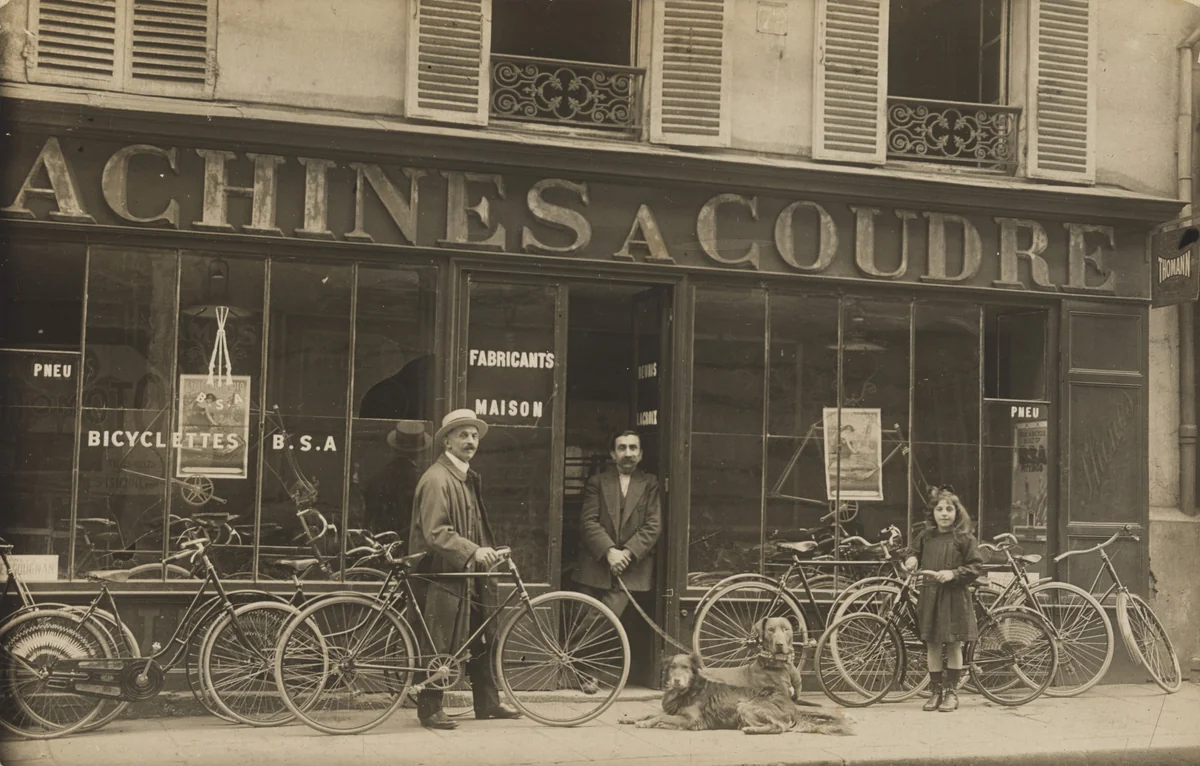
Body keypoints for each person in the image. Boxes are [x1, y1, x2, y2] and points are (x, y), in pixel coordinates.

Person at [408, 408, 521, 730]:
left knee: (480, 635)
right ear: (447, 441)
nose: (471, 441)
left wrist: (484, 551)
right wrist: (474, 550)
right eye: (463, 435)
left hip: (467, 574)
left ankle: (487, 703)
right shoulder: (437, 479)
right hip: (441, 575)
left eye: (474, 436)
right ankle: (429, 710)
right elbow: (435, 532)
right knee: (437, 638)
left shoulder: (464, 476)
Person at [902, 485, 984, 713]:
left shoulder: (965, 538)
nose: (945, 513)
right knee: (933, 645)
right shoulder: (925, 536)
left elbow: (976, 566)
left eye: (949, 509)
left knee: (954, 644)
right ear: (933, 513)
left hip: (955, 596)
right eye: (940, 509)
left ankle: (952, 693)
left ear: (957, 513)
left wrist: (954, 573)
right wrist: (911, 560)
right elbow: (911, 552)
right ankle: (935, 692)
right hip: (930, 596)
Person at [572, 430, 662, 621]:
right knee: (580, 618)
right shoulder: (597, 482)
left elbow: (653, 525)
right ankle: (570, 651)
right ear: (613, 454)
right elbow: (588, 521)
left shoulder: (650, 483)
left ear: (641, 454)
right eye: (622, 448)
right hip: (595, 565)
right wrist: (610, 552)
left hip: (631, 568)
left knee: (606, 620)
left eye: (633, 448)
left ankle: (569, 652)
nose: (628, 453)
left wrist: (625, 554)